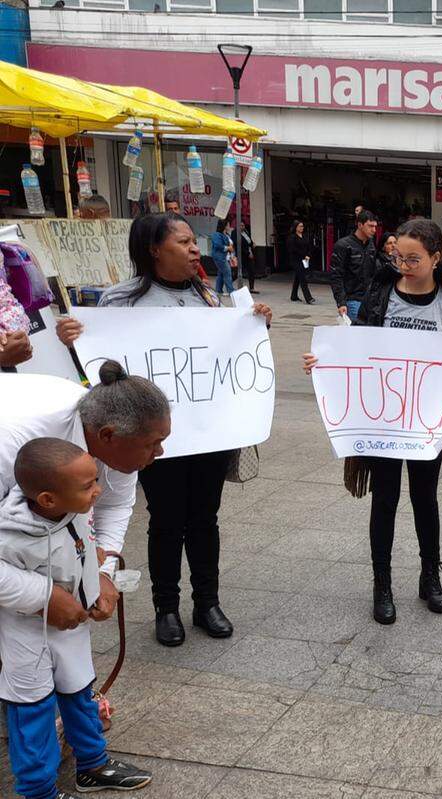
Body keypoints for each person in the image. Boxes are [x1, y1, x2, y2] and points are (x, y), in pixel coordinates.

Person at [57, 213, 274, 647]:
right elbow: (99, 368)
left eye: (195, 242)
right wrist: (73, 339)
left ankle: (207, 602)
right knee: (166, 520)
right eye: (184, 241)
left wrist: (256, 325)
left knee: (205, 518)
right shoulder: (120, 302)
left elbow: (226, 355)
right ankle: (166, 608)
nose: (196, 249)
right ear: (154, 249)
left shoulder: (208, 297)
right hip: (151, 439)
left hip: (207, 432)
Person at [301, 219, 442, 624]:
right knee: (385, 501)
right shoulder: (380, 296)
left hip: (427, 425)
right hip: (384, 422)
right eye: (399, 257)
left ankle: (430, 577)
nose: (404, 265)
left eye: (414, 258)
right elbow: (356, 346)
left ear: (435, 258)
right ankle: (382, 583)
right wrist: (324, 362)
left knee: (425, 500)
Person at [0, 438, 153, 798]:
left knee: (80, 692)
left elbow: (87, 554)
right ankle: (37, 791)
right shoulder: (9, 538)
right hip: (25, 636)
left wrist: (97, 589)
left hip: (70, 628)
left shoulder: (76, 511)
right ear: (48, 499)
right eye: (88, 486)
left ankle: (93, 764)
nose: (98, 491)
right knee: (31, 712)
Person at [0, 368, 170, 636]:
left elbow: (115, 504)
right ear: (107, 436)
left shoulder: (109, 426)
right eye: (153, 444)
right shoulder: (10, 446)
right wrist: (41, 597)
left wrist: (101, 572)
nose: (160, 452)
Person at [330, 209, 379, 321]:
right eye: (370, 226)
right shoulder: (343, 245)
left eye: (375, 226)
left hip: (370, 299)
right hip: (352, 300)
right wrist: (341, 302)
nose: (374, 230)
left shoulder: (371, 245)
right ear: (360, 225)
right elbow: (336, 275)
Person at [288, 220, 316, 304]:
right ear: (295, 227)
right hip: (296, 260)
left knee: (298, 277)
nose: (302, 228)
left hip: (304, 259)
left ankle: (293, 296)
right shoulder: (292, 237)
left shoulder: (304, 236)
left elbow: (309, 247)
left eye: (302, 226)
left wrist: (308, 255)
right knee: (302, 278)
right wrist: (304, 255)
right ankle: (308, 298)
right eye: (300, 226)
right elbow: (293, 249)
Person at [210, 217, 235, 297]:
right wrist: (228, 248)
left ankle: (218, 290)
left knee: (221, 273)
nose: (229, 226)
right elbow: (217, 245)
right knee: (227, 273)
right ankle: (230, 291)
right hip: (219, 257)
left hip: (225, 257)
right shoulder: (217, 235)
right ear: (224, 226)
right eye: (228, 225)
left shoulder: (226, 234)